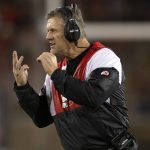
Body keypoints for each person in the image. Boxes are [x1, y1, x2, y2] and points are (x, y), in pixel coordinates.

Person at [12, 3, 138, 150]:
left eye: (52, 30)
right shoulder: (55, 72)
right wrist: (23, 87)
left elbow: (93, 96)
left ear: (72, 30)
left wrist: (55, 74)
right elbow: (42, 118)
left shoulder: (103, 57)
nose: (47, 36)